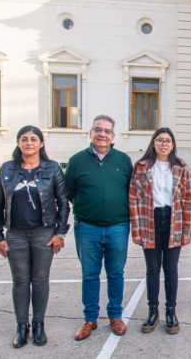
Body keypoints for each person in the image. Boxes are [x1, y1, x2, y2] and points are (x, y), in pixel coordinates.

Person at [0, 126, 69, 348]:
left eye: (34, 139)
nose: (29, 143)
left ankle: (38, 325)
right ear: (18, 143)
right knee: (21, 281)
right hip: (15, 234)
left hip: (43, 232)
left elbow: (63, 201)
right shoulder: (7, 169)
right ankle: (22, 326)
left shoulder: (52, 168)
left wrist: (60, 233)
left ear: (41, 144)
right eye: (24, 139)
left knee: (41, 279)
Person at [65, 115, 133, 340]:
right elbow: (70, 192)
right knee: (90, 275)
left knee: (116, 273)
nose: (102, 134)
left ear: (113, 136)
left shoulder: (123, 161)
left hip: (118, 227)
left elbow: (129, 192)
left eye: (107, 131)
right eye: (98, 130)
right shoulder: (76, 161)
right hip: (87, 227)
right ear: (91, 133)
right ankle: (90, 319)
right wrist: (88, 209)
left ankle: (115, 315)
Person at [129, 128, 191, 334]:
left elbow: (188, 201)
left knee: (171, 269)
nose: (164, 144)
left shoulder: (181, 167)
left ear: (173, 145)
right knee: (152, 268)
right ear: (154, 143)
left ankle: (170, 312)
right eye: (160, 140)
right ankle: (152, 311)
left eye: (168, 141)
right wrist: (136, 230)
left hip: (173, 220)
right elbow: (133, 200)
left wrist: (186, 231)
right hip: (151, 220)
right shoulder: (142, 167)